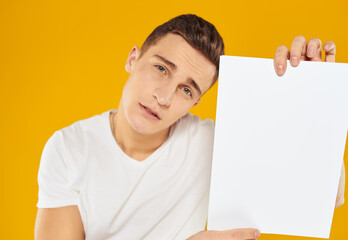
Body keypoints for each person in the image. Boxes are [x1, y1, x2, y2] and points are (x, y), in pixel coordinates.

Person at [34, 14, 345, 240]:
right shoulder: (68, 148)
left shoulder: (215, 144)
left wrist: (315, 103)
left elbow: (328, 194)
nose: (164, 97)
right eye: (160, 68)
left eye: (186, 90)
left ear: (195, 102)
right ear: (133, 58)